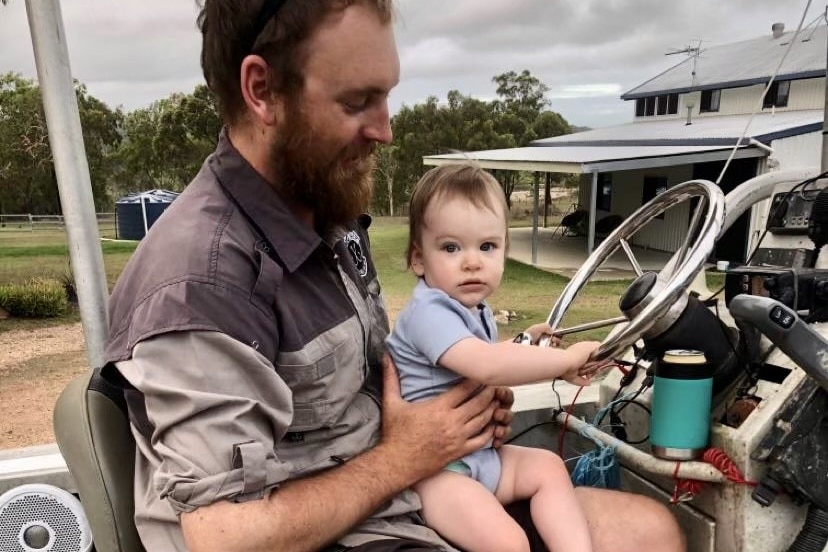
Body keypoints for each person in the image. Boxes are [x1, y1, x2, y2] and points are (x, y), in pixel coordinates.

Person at [103, 1, 686, 551]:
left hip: (397, 489)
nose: (385, 129)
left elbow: (378, 379)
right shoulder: (204, 283)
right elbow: (222, 538)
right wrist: (407, 456)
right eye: (358, 101)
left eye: (386, 97)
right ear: (263, 91)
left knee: (650, 527)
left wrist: (460, 406)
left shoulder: (319, 216)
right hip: (350, 530)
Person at [387, 164, 600, 552]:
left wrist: (526, 339)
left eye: (487, 247)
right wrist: (566, 361)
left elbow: (491, 351)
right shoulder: (427, 311)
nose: (472, 262)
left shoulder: (475, 310)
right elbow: (486, 363)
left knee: (548, 467)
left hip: (480, 458)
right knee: (508, 543)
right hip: (437, 472)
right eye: (451, 248)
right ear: (418, 259)